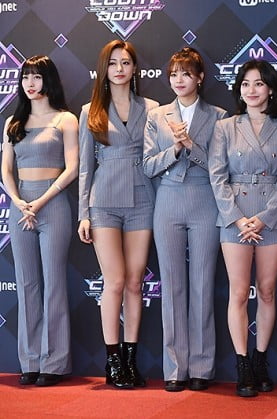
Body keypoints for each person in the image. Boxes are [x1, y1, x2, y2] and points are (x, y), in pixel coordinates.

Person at [209, 60, 277, 397]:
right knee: (238, 292)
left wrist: (263, 218)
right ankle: (242, 363)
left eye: (258, 83)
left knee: (268, 290)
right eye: (245, 84)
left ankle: (260, 359)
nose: (251, 90)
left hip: (270, 217)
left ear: (271, 89)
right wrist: (237, 218)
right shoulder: (225, 127)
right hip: (234, 217)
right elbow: (217, 176)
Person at [143, 47, 227, 392]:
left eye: (186, 73)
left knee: (203, 284)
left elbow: (219, 166)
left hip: (205, 199)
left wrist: (190, 144)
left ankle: (202, 368)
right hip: (167, 200)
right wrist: (175, 149)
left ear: (200, 78)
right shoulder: (157, 116)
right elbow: (148, 165)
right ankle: (175, 368)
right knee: (173, 285)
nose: (179, 80)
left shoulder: (219, 116)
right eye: (174, 74)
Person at [77, 40, 159, 389]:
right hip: (104, 202)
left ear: (134, 68)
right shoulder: (90, 111)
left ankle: (130, 358)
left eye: (125, 62)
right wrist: (83, 213)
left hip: (142, 198)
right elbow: (85, 167)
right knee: (114, 281)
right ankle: (112, 361)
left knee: (134, 282)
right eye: (113, 63)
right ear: (104, 69)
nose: (120, 69)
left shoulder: (152, 109)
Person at [1, 56, 78, 387]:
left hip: (53, 203)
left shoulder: (65, 119)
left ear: (49, 80)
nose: (30, 84)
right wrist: (18, 201)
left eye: (36, 77)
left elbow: (72, 168)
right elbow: (6, 169)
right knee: (27, 283)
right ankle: (30, 360)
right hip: (21, 207)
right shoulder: (12, 122)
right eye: (25, 77)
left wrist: (41, 201)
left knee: (54, 283)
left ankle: (55, 362)